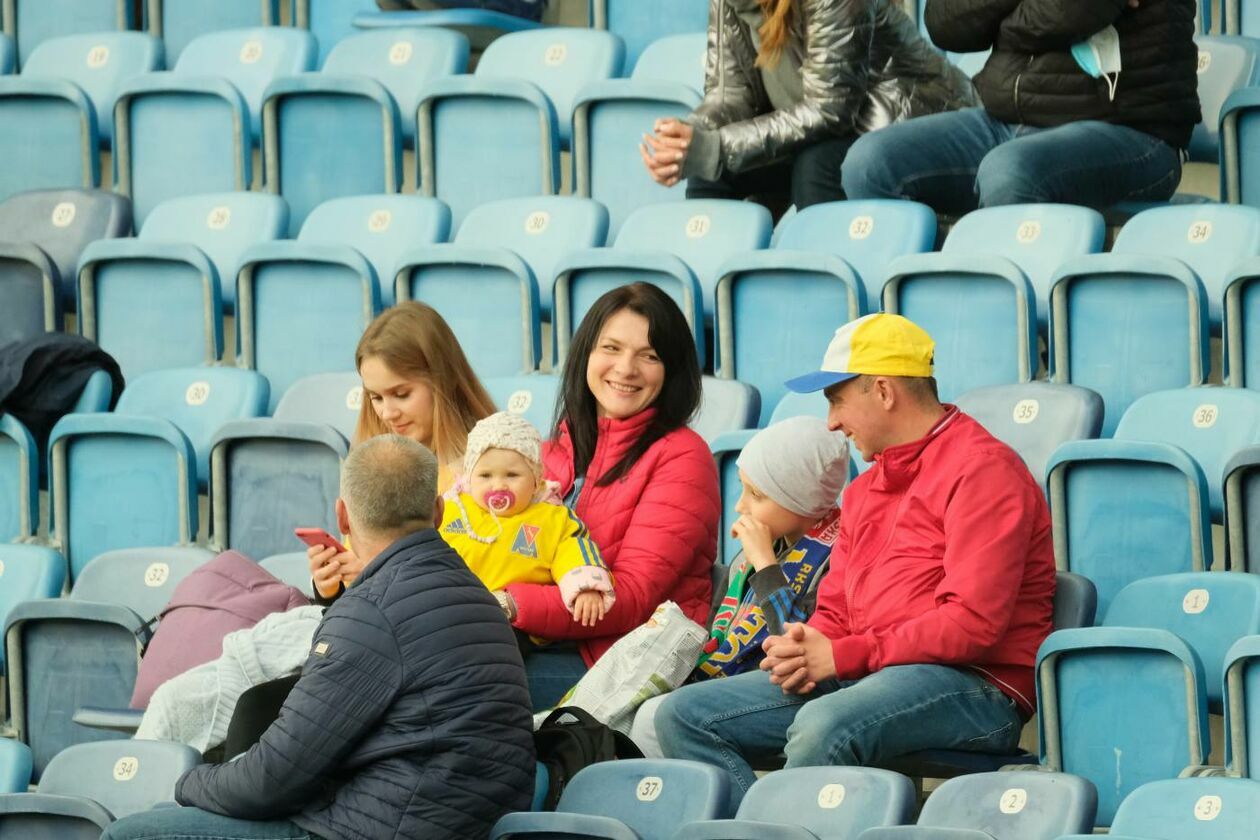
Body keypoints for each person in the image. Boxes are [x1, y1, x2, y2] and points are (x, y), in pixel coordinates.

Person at [656, 313, 1056, 805]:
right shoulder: (865, 490)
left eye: (837, 400)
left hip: (976, 687)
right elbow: (837, 610)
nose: (832, 422)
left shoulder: (984, 472)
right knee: (682, 715)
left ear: (884, 392)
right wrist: (807, 646)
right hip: (867, 673)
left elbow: (972, 625)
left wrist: (844, 654)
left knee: (823, 724)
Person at [103, 435, 536, 840]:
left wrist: (187, 780)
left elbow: (270, 780)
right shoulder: (476, 595)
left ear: (342, 516)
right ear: (440, 513)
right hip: (457, 821)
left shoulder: (371, 612)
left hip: (384, 827)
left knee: (131, 832)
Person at [498, 283, 721, 710]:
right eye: (612, 348)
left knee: (452, 682)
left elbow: (633, 598)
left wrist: (510, 604)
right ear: (586, 353)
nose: (626, 368)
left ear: (672, 371)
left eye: (650, 356)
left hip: (621, 659)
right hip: (544, 639)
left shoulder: (683, 457)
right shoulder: (553, 448)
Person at [840, 0, 1201, 211]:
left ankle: (1019, 333)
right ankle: (914, 326)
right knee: (870, 163)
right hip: (1004, 121)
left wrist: (997, 25)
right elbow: (944, 22)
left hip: (1131, 131)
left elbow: (1068, 12)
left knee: (1010, 172)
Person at [630, 415, 849, 756]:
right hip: (730, 679)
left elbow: (799, 643)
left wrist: (766, 565)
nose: (740, 506)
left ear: (801, 500)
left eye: (756, 495)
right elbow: (717, 625)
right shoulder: (755, 551)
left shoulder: (834, 555)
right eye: (742, 488)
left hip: (797, 687)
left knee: (655, 716)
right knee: (639, 708)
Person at [640, 0, 975, 210]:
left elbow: (830, 109)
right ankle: (712, 302)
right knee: (710, 169)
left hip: (913, 129)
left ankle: (833, 294)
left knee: (817, 165)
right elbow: (730, 95)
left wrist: (715, 146)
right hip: (826, 131)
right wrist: (689, 138)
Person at [308, 301, 497, 602]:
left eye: (401, 394)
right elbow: (353, 573)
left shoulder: (496, 469)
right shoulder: (375, 465)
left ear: (442, 382)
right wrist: (331, 586)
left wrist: (378, 577)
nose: (387, 413)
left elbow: (490, 584)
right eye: (376, 398)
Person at [442, 411, 615, 627]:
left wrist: (586, 586)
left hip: (512, 623)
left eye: (512, 475)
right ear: (469, 477)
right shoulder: (452, 508)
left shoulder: (552, 517)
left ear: (535, 480)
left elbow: (575, 549)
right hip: (449, 611)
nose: (498, 485)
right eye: (485, 475)